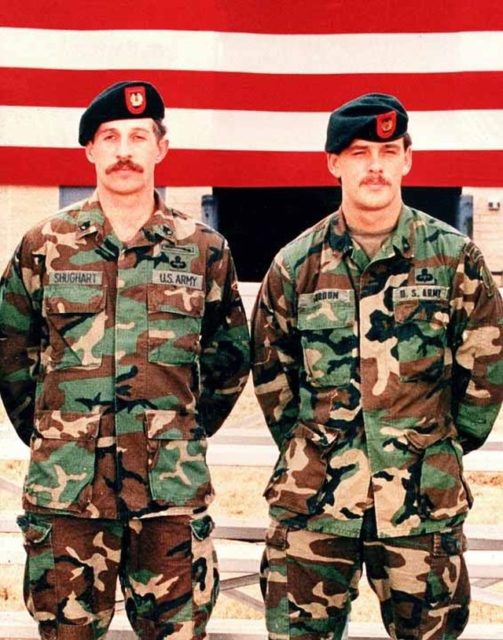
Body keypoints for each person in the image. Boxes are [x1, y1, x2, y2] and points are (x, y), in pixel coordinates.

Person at [0, 80, 250, 640]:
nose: (124, 151)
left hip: (170, 495)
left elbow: (229, 356)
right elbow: (11, 352)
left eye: (139, 136)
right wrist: (55, 432)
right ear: (89, 150)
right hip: (68, 497)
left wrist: (179, 432)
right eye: (109, 137)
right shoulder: (45, 243)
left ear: (161, 147)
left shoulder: (203, 249)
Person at [251, 93, 503, 640]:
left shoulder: (454, 258)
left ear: (408, 158)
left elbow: (484, 371)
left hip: (421, 504)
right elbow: (272, 375)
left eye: (388, 150)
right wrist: (316, 446)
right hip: (316, 500)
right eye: (360, 152)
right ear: (333, 163)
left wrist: (435, 447)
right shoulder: (296, 265)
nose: (375, 166)